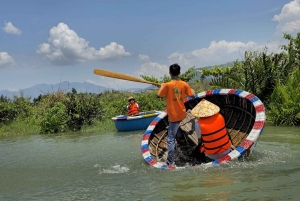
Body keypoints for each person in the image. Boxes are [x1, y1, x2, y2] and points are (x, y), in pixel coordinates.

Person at [157, 63, 195, 166]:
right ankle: (181, 137)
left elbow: (159, 94)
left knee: (170, 139)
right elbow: (191, 94)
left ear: (169, 72)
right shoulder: (184, 84)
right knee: (176, 126)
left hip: (173, 115)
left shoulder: (166, 85)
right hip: (182, 113)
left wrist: (161, 86)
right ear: (179, 73)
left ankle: (170, 162)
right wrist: (193, 91)